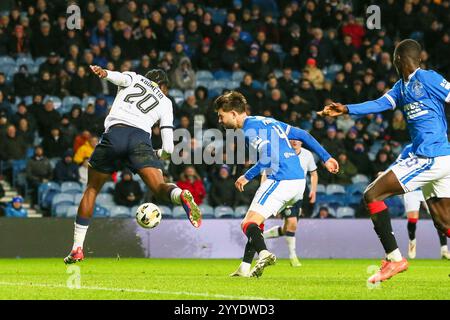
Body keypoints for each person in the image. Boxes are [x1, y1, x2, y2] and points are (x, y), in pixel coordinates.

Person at [318, 39, 450, 283]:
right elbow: (379, 104)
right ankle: (395, 259)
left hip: (431, 156)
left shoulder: (429, 78)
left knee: (371, 195)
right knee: (444, 223)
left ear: (398, 59)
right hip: (437, 158)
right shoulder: (401, 88)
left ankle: (394, 259)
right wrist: (346, 108)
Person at [64, 66, 202, 264]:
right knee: (159, 188)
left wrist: (104, 73)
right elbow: (169, 148)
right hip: (140, 140)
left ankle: (77, 248)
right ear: (163, 86)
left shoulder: (134, 78)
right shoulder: (165, 101)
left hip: (115, 134)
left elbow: (117, 77)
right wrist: (156, 153)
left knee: (92, 189)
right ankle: (180, 195)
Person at [215, 91, 338, 278]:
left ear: (233, 113)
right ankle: (244, 268)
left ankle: (264, 253)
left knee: (248, 223)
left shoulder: (250, 129)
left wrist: (246, 176)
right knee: (255, 221)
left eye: (221, 116)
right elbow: (303, 134)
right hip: (298, 181)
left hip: (281, 178)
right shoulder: (267, 121)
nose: (220, 121)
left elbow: (269, 156)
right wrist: (326, 158)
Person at [262, 140, 319, 267]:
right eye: (291, 139)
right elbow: (266, 172)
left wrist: (314, 191)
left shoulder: (307, 155)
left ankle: (261, 236)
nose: (294, 141)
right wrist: (264, 188)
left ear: (302, 143)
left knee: (288, 227)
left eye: (297, 140)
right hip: (283, 190)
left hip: (299, 192)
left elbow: (314, 173)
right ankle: (293, 256)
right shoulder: (280, 153)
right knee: (292, 223)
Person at [393, 144, 449, 260]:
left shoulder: (440, 147)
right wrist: (387, 171)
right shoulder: (409, 148)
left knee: (441, 219)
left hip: (430, 184)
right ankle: (412, 241)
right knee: (413, 219)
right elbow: (397, 164)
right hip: (412, 188)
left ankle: (444, 249)